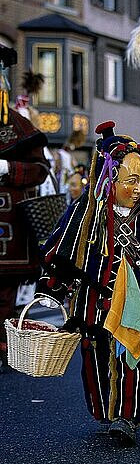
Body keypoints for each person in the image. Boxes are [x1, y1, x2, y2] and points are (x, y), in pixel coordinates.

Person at [35, 121, 140, 446]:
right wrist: (50, 289)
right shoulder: (83, 214)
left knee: (131, 357)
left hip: (133, 306)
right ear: (109, 179)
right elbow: (59, 253)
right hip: (92, 305)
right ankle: (106, 413)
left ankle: (126, 417)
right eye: (131, 180)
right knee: (95, 360)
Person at [0, 107, 49, 371]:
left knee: (4, 294)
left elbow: (40, 169)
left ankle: (4, 343)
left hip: (10, 229)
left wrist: (7, 167)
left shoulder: (16, 123)